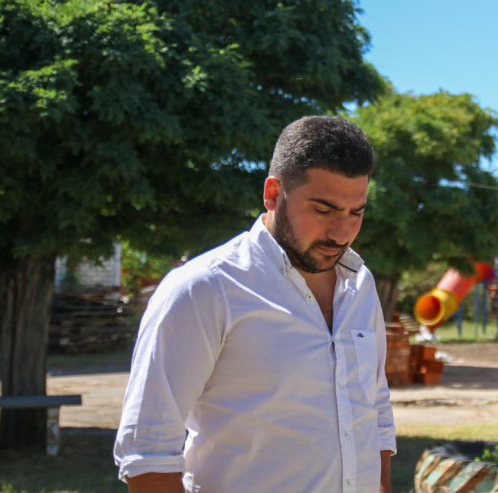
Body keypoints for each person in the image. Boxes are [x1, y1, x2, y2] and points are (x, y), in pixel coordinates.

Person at [113, 115, 396, 492]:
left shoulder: (360, 284)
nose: (341, 233)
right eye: (323, 210)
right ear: (273, 194)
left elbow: (374, 412)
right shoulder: (205, 289)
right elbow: (148, 454)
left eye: (356, 212)